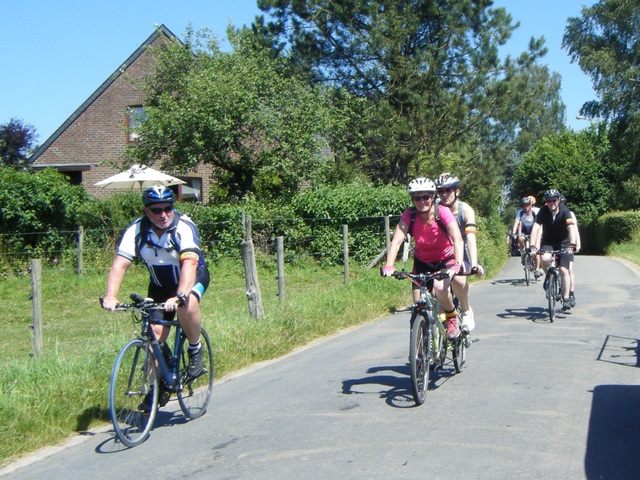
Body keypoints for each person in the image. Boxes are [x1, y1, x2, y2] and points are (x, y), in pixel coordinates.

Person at [101, 185, 210, 412]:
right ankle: (157, 387)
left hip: (191, 277)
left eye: (168, 208)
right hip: (159, 285)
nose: (163, 215)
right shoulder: (136, 231)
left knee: (186, 305)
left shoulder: (184, 227)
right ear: (146, 211)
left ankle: (195, 348)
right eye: (156, 210)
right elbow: (120, 265)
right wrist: (111, 296)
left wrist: (180, 295)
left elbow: (189, 263)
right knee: (154, 337)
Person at [381, 177, 465, 340]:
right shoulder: (409, 214)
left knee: (440, 289)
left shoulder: (442, 212)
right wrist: (389, 265)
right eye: (417, 198)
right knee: (418, 304)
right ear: (412, 199)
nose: (421, 201)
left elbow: (457, 238)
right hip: (422, 262)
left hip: (444, 260)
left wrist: (458, 264)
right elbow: (397, 240)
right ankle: (421, 348)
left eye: (426, 197)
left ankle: (451, 316)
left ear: (432, 197)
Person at [434, 173, 484, 333]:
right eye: (440, 191)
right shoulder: (435, 209)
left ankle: (466, 309)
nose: (444, 194)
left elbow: (470, 239)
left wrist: (474, 264)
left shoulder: (466, 210)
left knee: (459, 281)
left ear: (457, 191)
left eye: (447, 190)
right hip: (442, 252)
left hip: (461, 250)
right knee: (438, 290)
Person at [529, 189, 577, 311]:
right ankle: (548, 276)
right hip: (548, 241)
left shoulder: (565, 211)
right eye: (549, 201)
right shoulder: (543, 211)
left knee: (563, 270)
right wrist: (533, 246)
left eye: (554, 200)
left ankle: (566, 298)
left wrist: (572, 244)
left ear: (558, 200)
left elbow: (571, 227)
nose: (551, 203)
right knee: (545, 258)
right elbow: (536, 227)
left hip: (564, 242)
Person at [512, 195, 542, 278]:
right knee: (520, 238)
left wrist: (538, 234)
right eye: (524, 205)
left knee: (536, 250)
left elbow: (537, 224)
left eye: (528, 205)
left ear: (530, 205)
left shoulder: (534, 213)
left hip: (533, 230)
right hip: (524, 230)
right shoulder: (520, 212)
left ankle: (537, 269)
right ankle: (523, 254)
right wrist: (514, 233)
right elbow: (517, 222)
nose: (526, 207)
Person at [559, 194, 581, 307]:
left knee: (569, 269)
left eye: (562, 203)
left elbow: (574, 229)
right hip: (557, 243)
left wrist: (577, 243)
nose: (560, 204)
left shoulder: (569, 214)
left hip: (568, 243)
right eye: (560, 202)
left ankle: (571, 294)